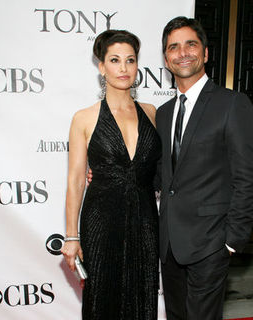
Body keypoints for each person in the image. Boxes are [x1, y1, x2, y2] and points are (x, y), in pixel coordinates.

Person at [156, 17, 253, 320]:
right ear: (166, 59)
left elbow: (249, 178)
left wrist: (231, 240)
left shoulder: (232, 104)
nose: (183, 52)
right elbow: (162, 175)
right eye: (173, 47)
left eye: (191, 44)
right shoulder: (164, 114)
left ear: (205, 53)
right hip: (170, 244)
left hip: (211, 242)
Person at [61, 29, 161, 320]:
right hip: (101, 220)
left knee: (142, 296)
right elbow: (76, 179)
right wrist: (71, 236)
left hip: (144, 220)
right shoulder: (84, 117)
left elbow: (161, 168)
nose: (123, 68)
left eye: (130, 60)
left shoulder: (152, 112)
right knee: (102, 296)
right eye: (115, 60)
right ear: (102, 67)